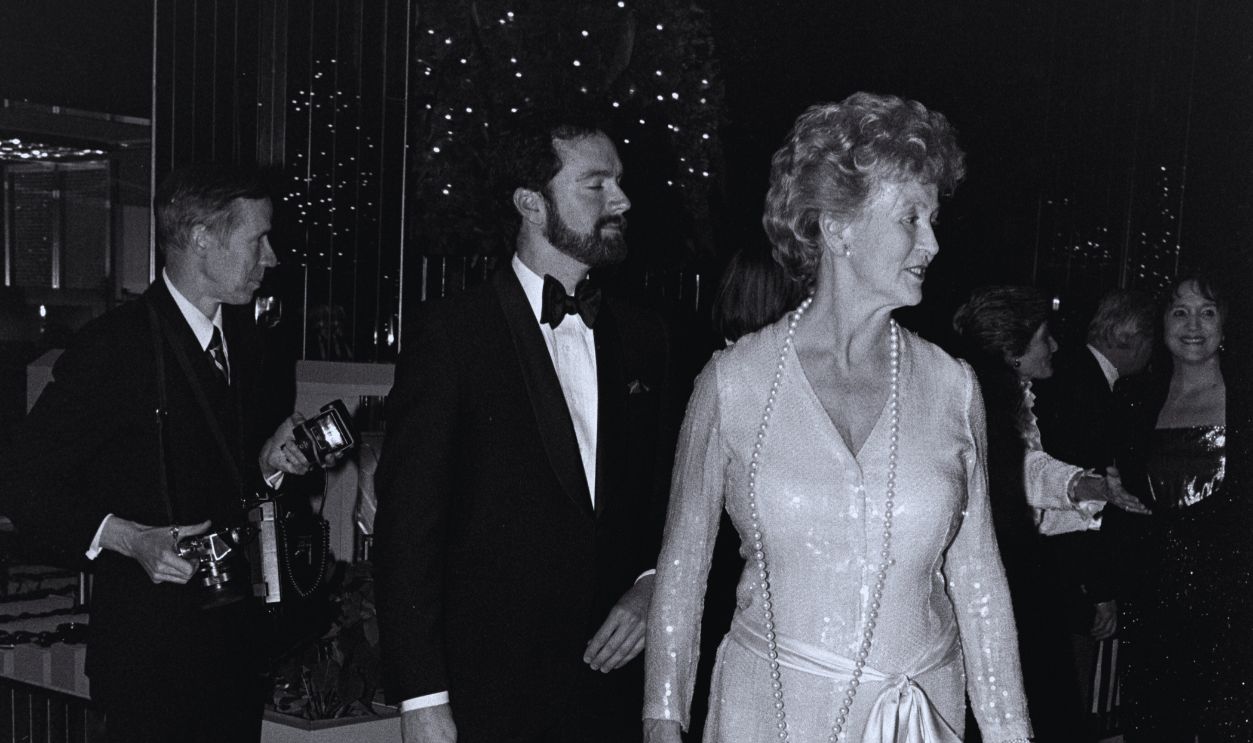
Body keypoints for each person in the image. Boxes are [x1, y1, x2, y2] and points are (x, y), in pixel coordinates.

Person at [643, 92, 1033, 743]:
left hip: (918, 718)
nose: (931, 242)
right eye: (911, 218)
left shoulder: (952, 387)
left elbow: (978, 579)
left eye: (932, 219)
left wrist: (1010, 734)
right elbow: (682, 569)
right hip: (765, 716)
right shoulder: (732, 383)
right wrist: (662, 720)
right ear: (837, 228)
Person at [374, 116, 674, 743]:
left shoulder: (647, 338)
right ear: (531, 204)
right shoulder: (452, 336)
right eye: (596, 185)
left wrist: (651, 586)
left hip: (614, 693)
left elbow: (667, 496)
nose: (622, 200)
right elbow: (408, 533)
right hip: (490, 696)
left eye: (618, 182)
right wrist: (422, 700)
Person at [0, 165, 313, 743]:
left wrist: (270, 464)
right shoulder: (112, 348)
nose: (272, 258)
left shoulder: (252, 344)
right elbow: (22, 478)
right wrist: (127, 539)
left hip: (235, 652)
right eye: (257, 240)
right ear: (200, 238)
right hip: (150, 665)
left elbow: (230, 477)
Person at [951, 285, 1147, 742]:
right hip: (993, 582)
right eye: (1045, 337)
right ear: (1014, 352)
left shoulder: (1015, 401)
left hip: (1018, 576)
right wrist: (1086, 487)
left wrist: (1091, 486)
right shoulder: (975, 403)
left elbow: (1029, 478)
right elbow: (1020, 476)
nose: (1056, 345)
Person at [1110, 273, 1253, 741]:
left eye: (1207, 312)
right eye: (1180, 311)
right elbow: (1123, 500)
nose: (1193, 324)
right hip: (1153, 597)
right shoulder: (1132, 399)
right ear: (1163, 323)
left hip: (1232, 603)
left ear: (1225, 326)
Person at [1030, 287, 1157, 739]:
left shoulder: (1073, 376)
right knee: (1064, 701)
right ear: (1130, 336)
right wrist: (1099, 590)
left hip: (1059, 570)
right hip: (1068, 577)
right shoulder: (1084, 387)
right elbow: (1083, 503)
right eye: (1150, 337)